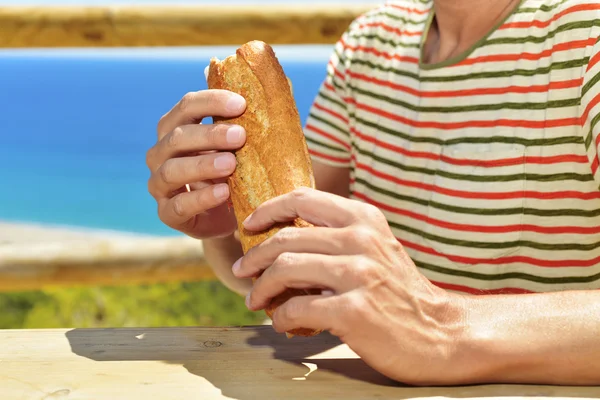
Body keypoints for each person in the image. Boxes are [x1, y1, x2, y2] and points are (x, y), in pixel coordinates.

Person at [146, 0, 600, 386]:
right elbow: (293, 268)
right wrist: (229, 221)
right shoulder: (370, 42)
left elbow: (425, 326)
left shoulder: (586, 36)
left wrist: (442, 328)